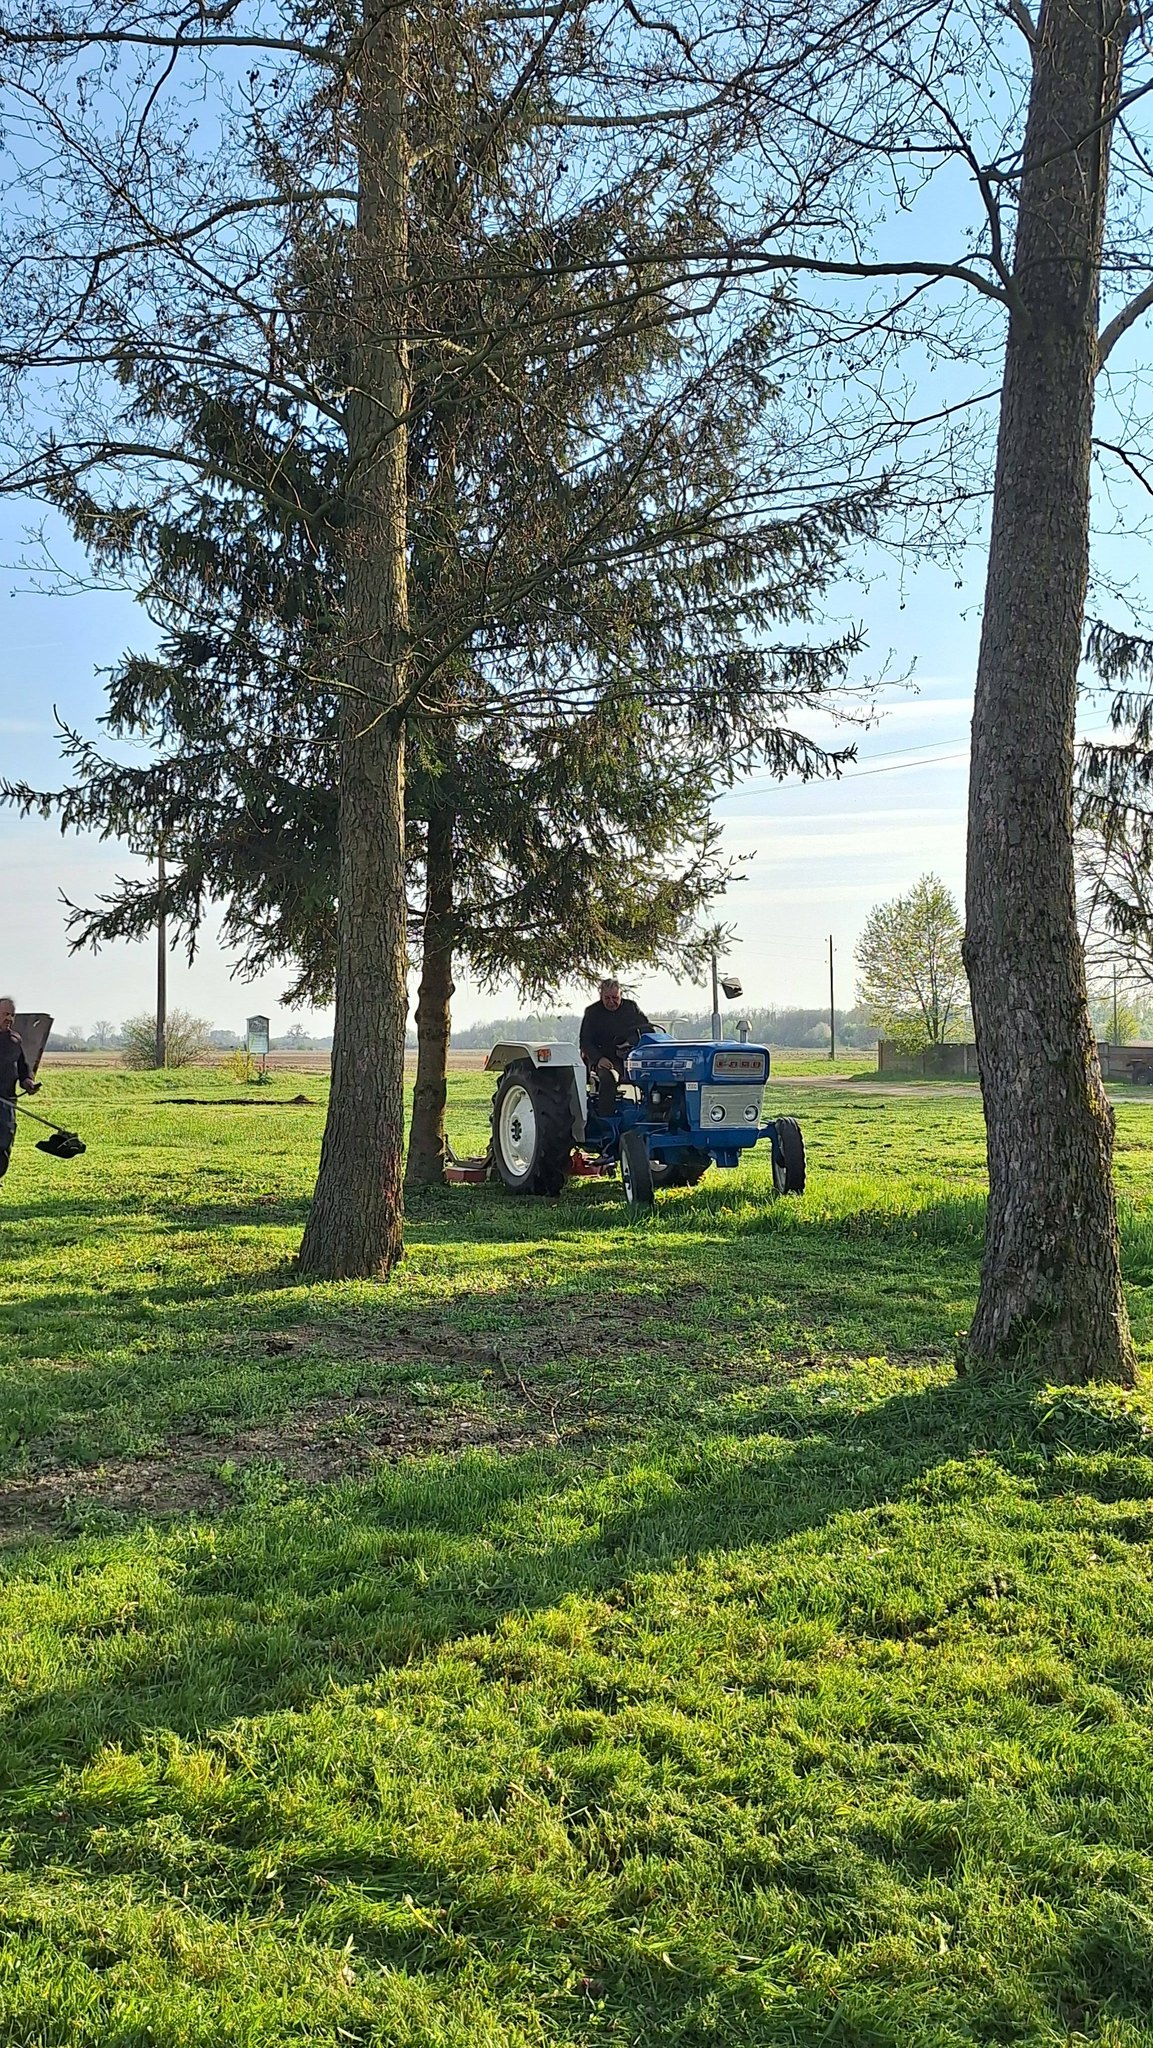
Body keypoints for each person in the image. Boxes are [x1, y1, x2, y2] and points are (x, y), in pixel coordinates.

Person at [580, 977, 654, 1114]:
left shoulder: (630, 1008)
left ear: (621, 995)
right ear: (601, 996)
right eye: (607, 998)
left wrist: (630, 1042)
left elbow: (648, 1030)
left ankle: (651, 1114)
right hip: (603, 1059)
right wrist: (599, 1059)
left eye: (615, 997)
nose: (611, 1002)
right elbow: (585, 1041)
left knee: (651, 1079)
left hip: (628, 1059)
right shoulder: (592, 1012)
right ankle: (606, 1121)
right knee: (608, 1079)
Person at [0, 997, 40, 1181]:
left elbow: (23, 1068)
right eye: (5, 1014)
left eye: (12, 1015)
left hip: (7, 1102)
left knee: (4, 1143)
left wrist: (27, 1082)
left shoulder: (15, 1040)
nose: (9, 1018)